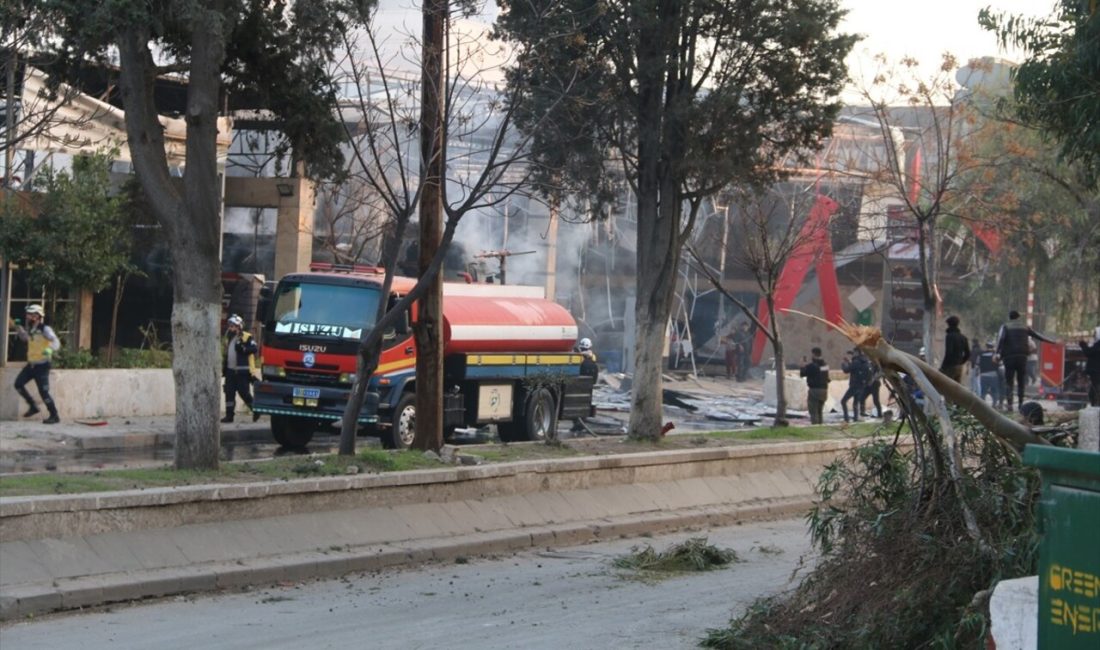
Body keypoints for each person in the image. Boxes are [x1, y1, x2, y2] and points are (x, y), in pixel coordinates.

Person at [10, 304, 61, 424]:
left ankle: (54, 415)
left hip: (42, 366)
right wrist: (18, 327)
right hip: (31, 365)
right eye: (27, 315)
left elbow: (56, 341)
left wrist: (50, 349)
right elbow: (25, 339)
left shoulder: (45, 329)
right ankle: (33, 406)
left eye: (30, 315)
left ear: (37, 316)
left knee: (43, 392)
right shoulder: (32, 330)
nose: (27, 317)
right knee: (18, 384)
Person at [995, 310, 1056, 412]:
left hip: (1009, 357)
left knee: (1009, 381)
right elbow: (1037, 336)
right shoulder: (1025, 327)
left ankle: (1010, 405)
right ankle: (1020, 404)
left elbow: (1001, 339)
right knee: (1021, 381)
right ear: (1018, 317)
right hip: (1022, 357)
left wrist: (997, 353)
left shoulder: (1005, 326)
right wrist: (1051, 341)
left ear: (1009, 317)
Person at [222, 314, 259, 424]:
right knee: (229, 392)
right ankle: (229, 416)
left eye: (233, 326)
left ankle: (255, 410)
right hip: (230, 371)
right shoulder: (230, 338)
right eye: (230, 326)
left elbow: (254, 349)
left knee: (244, 393)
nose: (230, 328)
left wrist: (242, 348)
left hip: (242, 371)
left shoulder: (247, 336)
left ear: (239, 326)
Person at [572, 338, 599, 433]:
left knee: (577, 404)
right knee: (586, 403)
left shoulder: (579, 357)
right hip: (589, 385)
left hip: (579, 384)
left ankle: (578, 423)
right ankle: (581, 422)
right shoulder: (593, 358)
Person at [800, 347, 830, 425]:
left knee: (813, 411)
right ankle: (820, 426)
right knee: (820, 411)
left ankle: (815, 426)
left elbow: (802, 374)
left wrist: (802, 365)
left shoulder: (812, 366)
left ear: (814, 354)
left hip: (814, 390)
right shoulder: (825, 365)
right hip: (824, 390)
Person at [840, 348, 871, 422]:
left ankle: (846, 418)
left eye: (853, 353)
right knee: (856, 402)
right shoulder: (864, 361)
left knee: (843, 401)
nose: (852, 354)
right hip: (861, 385)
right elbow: (855, 368)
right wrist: (849, 362)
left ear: (857, 353)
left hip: (854, 385)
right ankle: (855, 418)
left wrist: (844, 364)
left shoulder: (856, 362)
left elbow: (846, 370)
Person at [939, 315, 970, 383]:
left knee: (946, 386)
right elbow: (968, 354)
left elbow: (948, 353)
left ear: (949, 325)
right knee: (957, 388)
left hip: (950, 367)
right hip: (959, 367)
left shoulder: (949, 336)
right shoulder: (963, 337)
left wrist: (943, 367)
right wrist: (961, 362)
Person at [978, 342, 1002, 409]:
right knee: (995, 390)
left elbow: (978, 363)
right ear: (993, 347)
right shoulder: (995, 355)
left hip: (983, 375)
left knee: (983, 391)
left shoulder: (981, 354)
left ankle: (982, 405)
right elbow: (1000, 364)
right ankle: (994, 404)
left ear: (986, 347)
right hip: (993, 375)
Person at [1080, 326, 1100, 407]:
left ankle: (1096, 405)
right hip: (1095, 372)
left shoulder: (1098, 345)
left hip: (1096, 372)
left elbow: (1088, 353)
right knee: (1093, 391)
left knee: (1095, 391)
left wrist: (1083, 345)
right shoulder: (1097, 345)